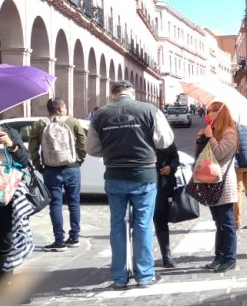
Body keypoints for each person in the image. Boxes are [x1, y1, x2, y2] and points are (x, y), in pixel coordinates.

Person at [86, 80, 174, 289]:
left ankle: (119, 276)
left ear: (112, 95)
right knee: (143, 224)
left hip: (115, 174)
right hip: (143, 174)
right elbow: (165, 141)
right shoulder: (149, 110)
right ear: (132, 93)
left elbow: (92, 148)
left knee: (117, 224)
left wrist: (111, 148)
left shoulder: (100, 115)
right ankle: (144, 275)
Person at [28, 98, 87, 251]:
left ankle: (59, 241)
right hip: (72, 167)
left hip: (50, 169)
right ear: (61, 109)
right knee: (74, 203)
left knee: (55, 204)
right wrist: (79, 160)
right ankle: (74, 237)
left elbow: (33, 147)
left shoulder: (40, 124)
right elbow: (82, 142)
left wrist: (38, 165)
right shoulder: (72, 122)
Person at [197, 101, 239, 272]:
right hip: (211, 179)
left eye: (211, 111)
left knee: (227, 222)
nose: (208, 114)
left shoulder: (230, 132)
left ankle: (230, 258)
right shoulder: (215, 131)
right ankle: (219, 256)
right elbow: (202, 155)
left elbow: (220, 153)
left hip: (224, 182)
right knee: (218, 222)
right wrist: (201, 139)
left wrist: (210, 137)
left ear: (219, 112)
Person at [0, 114, 32, 295]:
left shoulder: (9, 132)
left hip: (5, 197)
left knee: (6, 242)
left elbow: (24, 161)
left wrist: (11, 144)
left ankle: (4, 289)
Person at [153, 142, 180, 268]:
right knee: (140, 223)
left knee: (161, 219)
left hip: (163, 186)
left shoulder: (166, 138)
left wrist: (170, 167)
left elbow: (175, 157)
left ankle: (166, 254)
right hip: (145, 183)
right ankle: (138, 257)